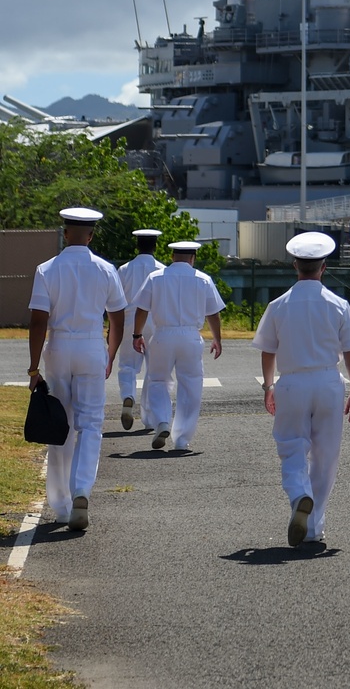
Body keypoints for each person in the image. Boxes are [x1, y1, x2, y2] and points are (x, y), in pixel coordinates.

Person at [253, 233, 350, 546]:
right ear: (323, 267)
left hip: (291, 382)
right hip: (329, 381)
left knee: (291, 447)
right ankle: (314, 526)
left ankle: (299, 495)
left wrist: (268, 385)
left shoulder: (279, 305)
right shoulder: (338, 304)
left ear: (295, 266)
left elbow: (267, 350)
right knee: (325, 455)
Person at [27, 206, 127, 532]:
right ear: (92, 235)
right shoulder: (106, 269)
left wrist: (32, 367)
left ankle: (60, 505)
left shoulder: (46, 269)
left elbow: (38, 320)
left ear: (66, 232)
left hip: (58, 347)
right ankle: (81, 489)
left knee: (59, 424)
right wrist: (110, 353)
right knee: (91, 425)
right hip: (90, 346)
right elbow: (117, 316)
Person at [132, 240, 224, 452]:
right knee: (191, 385)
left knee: (157, 380)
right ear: (193, 258)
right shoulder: (203, 279)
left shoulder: (155, 277)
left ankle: (162, 421)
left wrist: (137, 334)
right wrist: (217, 338)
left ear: (172, 257)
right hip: (190, 336)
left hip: (163, 334)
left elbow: (141, 309)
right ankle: (182, 438)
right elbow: (213, 312)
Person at [117, 228, 164, 430]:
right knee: (153, 371)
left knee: (127, 365)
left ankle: (128, 395)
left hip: (129, 321)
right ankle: (149, 416)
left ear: (137, 246)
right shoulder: (163, 270)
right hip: (155, 322)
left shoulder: (124, 269)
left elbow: (116, 302)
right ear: (155, 246)